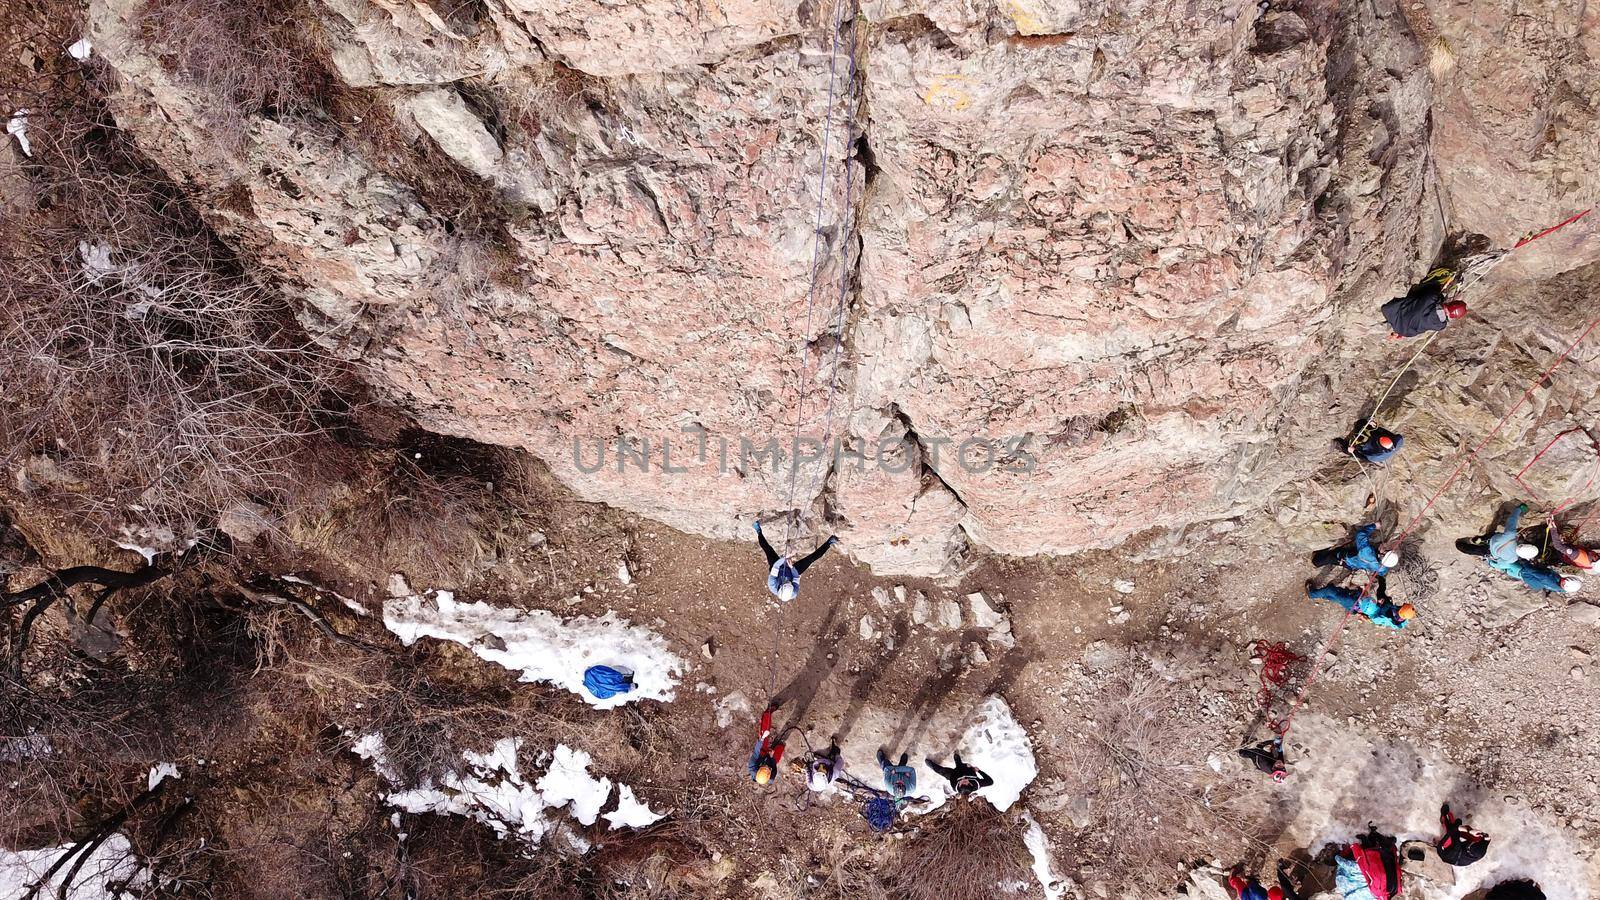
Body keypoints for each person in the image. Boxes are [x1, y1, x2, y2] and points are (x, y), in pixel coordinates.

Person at [754, 520, 836, 602]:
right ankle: (829, 542)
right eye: (789, 583)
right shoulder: (794, 592)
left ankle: (758, 531)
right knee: (811, 559)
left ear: (781, 586)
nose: (787, 582)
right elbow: (796, 577)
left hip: (778, 569)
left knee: (768, 549)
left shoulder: (772, 585)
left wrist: (785, 557)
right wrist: (792, 568)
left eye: (786, 583)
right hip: (791, 571)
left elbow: (776, 566)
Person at [1381, 269, 1466, 339]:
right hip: (1405, 331)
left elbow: (1432, 297)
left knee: (1429, 289)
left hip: (1393, 312)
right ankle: (1397, 331)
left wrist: (1441, 295)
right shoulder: (1440, 326)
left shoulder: (1433, 297)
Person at [1307, 580, 1416, 629]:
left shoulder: (1387, 618)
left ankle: (1312, 594)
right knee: (1338, 597)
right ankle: (1325, 595)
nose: (1401, 605)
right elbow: (1388, 608)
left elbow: (1375, 617)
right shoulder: (1401, 617)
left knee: (1333, 591)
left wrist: (1374, 604)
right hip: (1360, 604)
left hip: (1357, 604)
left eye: (1402, 606)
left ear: (1402, 610)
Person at [1311, 523, 1399, 575]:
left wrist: (1374, 526)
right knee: (1336, 558)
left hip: (1345, 557)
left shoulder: (1367, 553)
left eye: (1386, 549)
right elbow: (1381, 573)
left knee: (1331, 557)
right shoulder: (1383, 568)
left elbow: (1361, 534)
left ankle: (1316, 561)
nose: (1386, 546)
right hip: (1353, 564)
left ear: (1382, 555)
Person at [748, 701, 790, 785]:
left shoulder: (752, 765)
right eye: (769, 769)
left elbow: (756, 750)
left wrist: (762, 738)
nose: (768, 767)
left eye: (765, 767)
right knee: (780, 747)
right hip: (767, 757)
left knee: (764, 731)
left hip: (761, 754)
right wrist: (771, 757)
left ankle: (768, 713)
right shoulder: (771, 776)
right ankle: (778, 745)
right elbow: (773, 764)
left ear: (759, 769)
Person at [926, 752, 994, 796]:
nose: (964, 780)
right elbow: (990, 782)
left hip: (955, 775)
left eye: (962, 783)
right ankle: (957, 760)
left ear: (959, 785)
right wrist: (979, 771)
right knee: (960, 764)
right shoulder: (977, 783)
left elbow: (952, 776)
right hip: (968, 772)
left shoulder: (954, 786)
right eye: (966, 782)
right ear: (970, 784)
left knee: (942, 771)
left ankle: (931, 765)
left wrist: (955, 770)